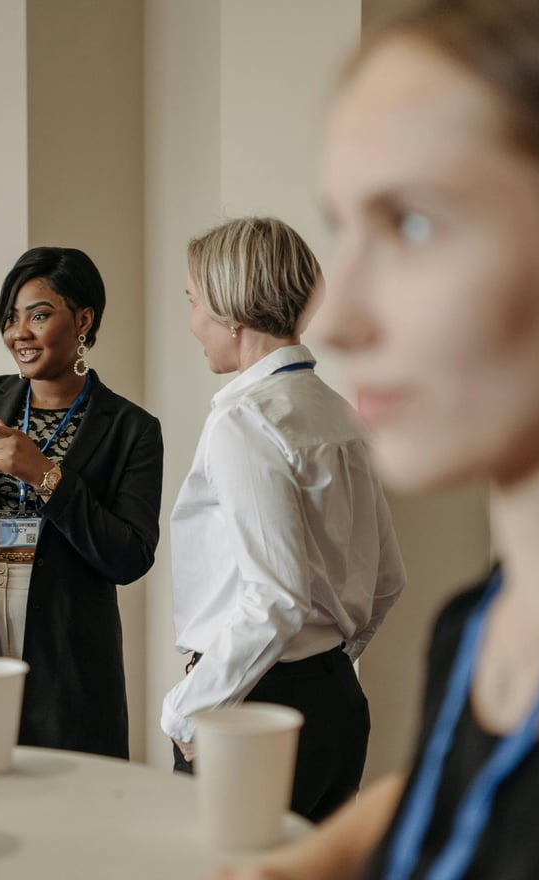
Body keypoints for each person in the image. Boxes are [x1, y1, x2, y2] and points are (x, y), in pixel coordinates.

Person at [210, 0, 539, 877]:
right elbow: (461, 800)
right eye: (345, 228)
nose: (337, 319)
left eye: (412, 224)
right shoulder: (478, 629)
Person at [160, 216, 406, 822]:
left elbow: (277, 596)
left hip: (247, 709)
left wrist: (184, 708)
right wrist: (327, 668)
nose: (192, 322)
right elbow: (388, 579)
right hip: (336, 706)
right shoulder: (342, 414)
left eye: (194, 303)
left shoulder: (245, 420)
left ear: (231, 311)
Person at [0, 246, 163, 759]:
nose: (19, 333)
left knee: (62, 816)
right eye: (11, 318)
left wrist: (46, 476)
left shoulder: (132, 429)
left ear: (84, 319)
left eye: (39, 315)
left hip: (70, 664)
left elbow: (130, 556)